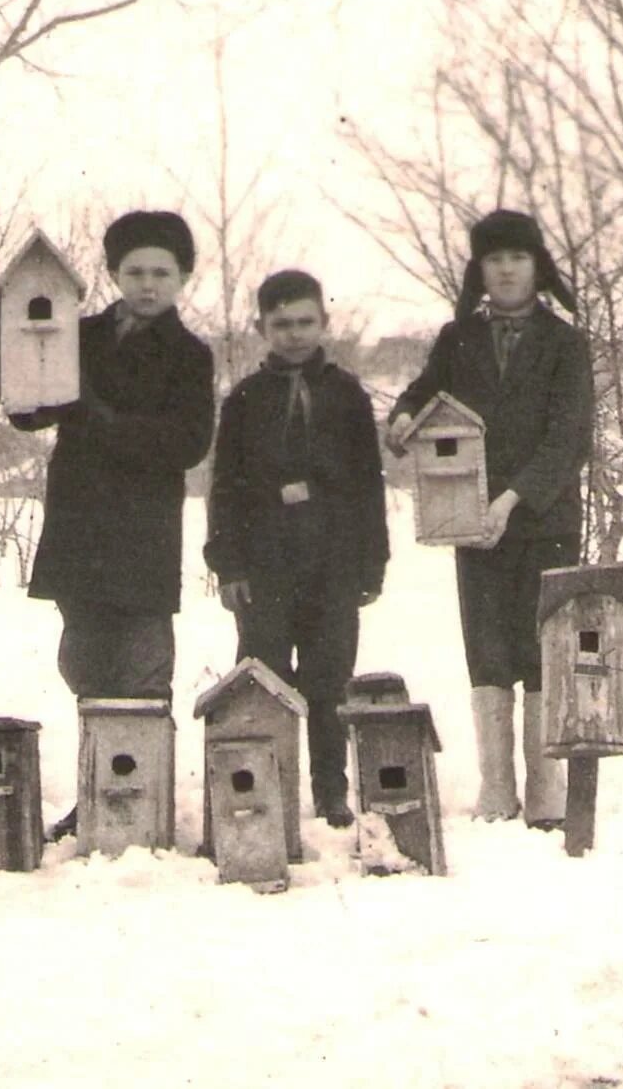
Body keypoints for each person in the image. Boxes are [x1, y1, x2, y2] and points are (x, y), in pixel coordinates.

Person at [0, 211, 215, 844]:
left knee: (141, 668)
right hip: (80, 524)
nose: (147, 283)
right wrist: (2, 339)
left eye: (161, 272)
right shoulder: (77, 333)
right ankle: (97, 792)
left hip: (141, 530)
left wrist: (100, 418)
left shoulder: (190, 356)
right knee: (84, 660)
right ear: (111, 273)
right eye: (134, 270)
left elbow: (188, 442)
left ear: (183, 277)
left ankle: (146, 803)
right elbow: (28, 412)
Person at [386, 211, 593, 829]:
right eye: (493, 260)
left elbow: (569, 437)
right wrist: (402, 416)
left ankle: (547, 788)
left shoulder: (565, 343)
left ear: (538, 268)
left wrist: (511, 500)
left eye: (517, 258)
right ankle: (498, 787)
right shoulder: (458, 339)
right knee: (488, 648)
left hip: (542, 517)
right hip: (470, 522)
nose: (505, 270)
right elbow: (424, 392)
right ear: (479, 270)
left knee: (543, 648)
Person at [203, 270, 387, 829]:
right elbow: (225, 488)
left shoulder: (347, 395)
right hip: (266, 564)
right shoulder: (244, 400)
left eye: (305, 321)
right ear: (261, 327)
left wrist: (371, 562)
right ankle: (267, 786)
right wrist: (228, 564)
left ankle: (331, 790)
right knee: (264, 678)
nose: (294, 334)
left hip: (332, 562)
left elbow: (367, 485)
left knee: (330, 680)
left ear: (324, 322)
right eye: (281, 324)